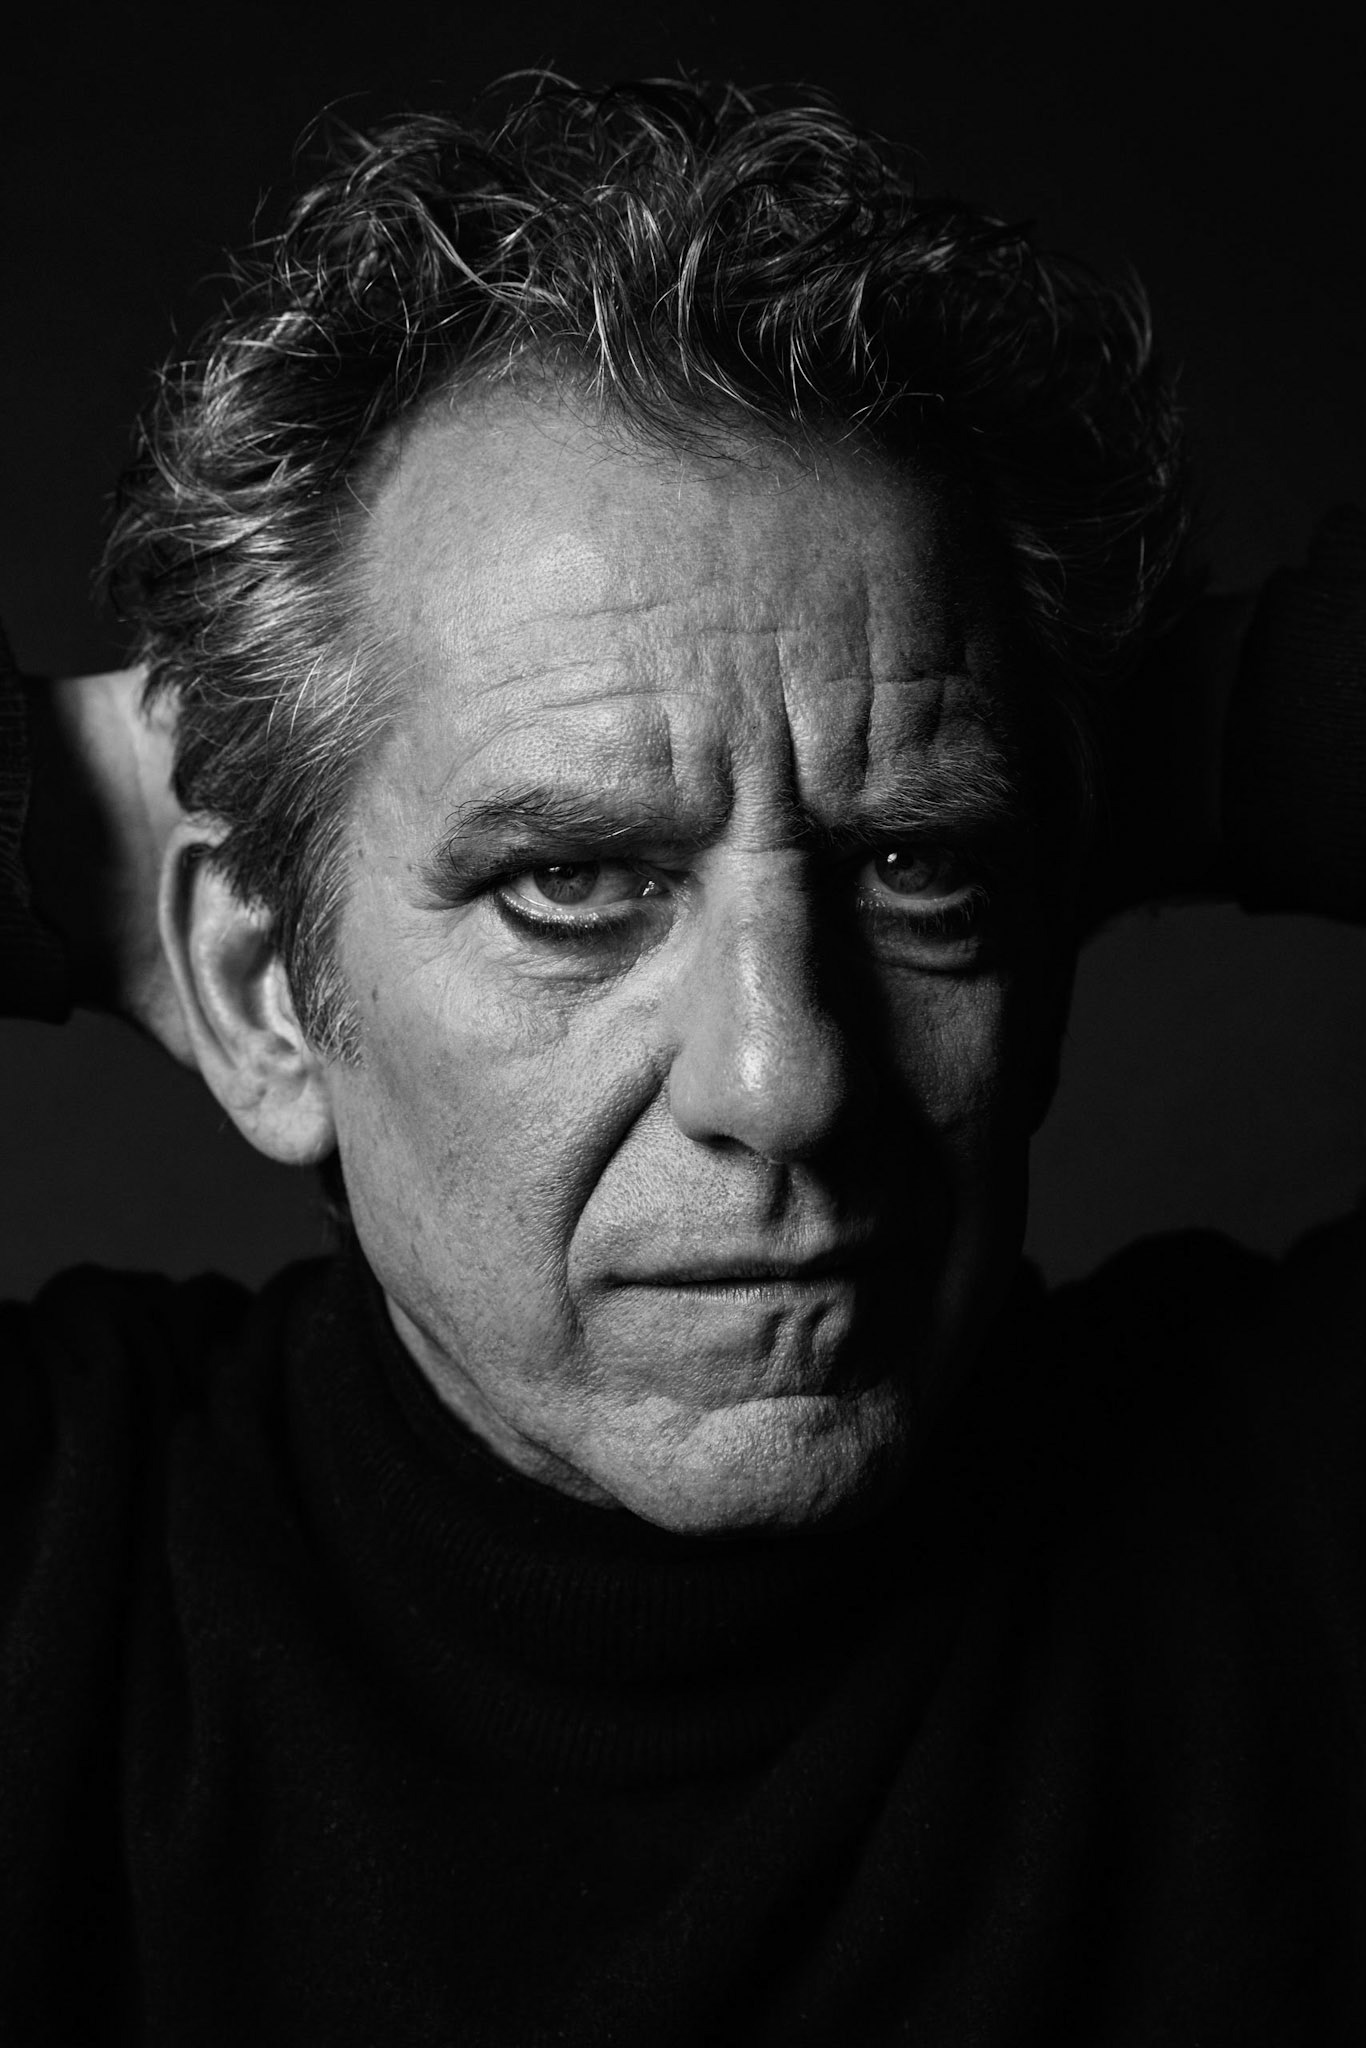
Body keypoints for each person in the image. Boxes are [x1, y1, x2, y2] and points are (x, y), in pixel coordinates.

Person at [1, 77, 1360, 2045]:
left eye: (913, 868)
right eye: (571, 879)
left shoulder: (1290, 1541)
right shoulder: (61, 1579)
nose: (784, 1078)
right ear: (264, 989)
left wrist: (1142, 726)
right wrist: (64, 812)